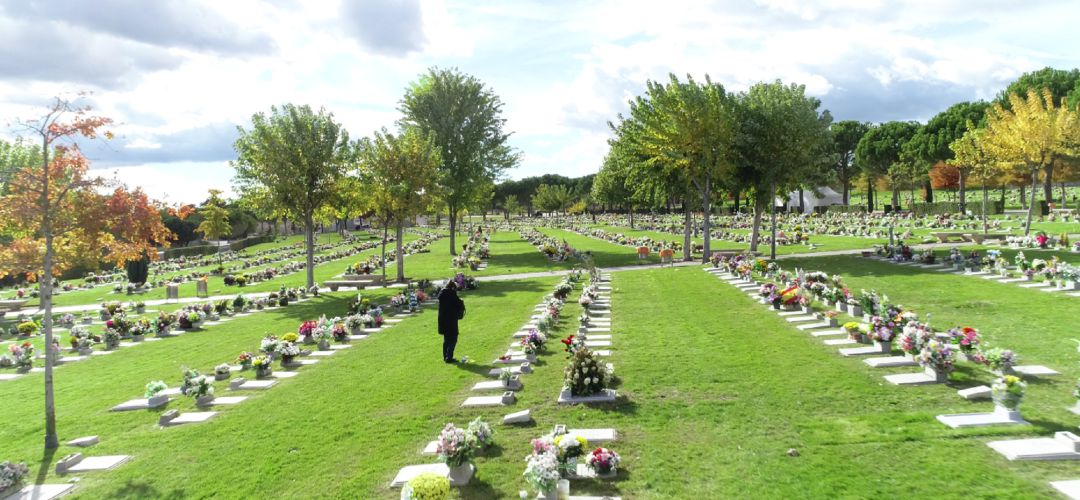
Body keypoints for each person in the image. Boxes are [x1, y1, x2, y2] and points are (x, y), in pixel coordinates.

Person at [437, 280, 466, 363]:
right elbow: (458, 304)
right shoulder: (452, 294)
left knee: (446, 339)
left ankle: (445, 356)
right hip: (451, 320)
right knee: (453, 338)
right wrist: (461, 301)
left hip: (443, 320)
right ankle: (449, 357)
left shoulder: (442, 294)